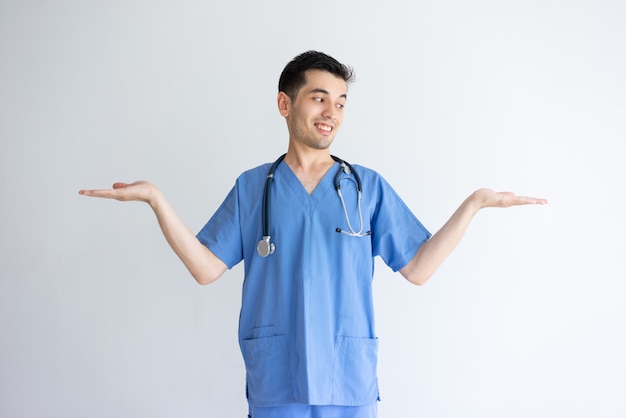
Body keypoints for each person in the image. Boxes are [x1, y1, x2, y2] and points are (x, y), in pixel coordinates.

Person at [79, 51, 547, 418]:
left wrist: (474, 205)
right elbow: (205, 268)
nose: (332, 112)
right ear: (285, 103)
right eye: (319, 97)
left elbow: (419, 268)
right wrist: (157, 200)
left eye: (341, 102)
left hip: (349, 381)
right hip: (277, 379)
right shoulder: (252, 188)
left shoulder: (366, 187)